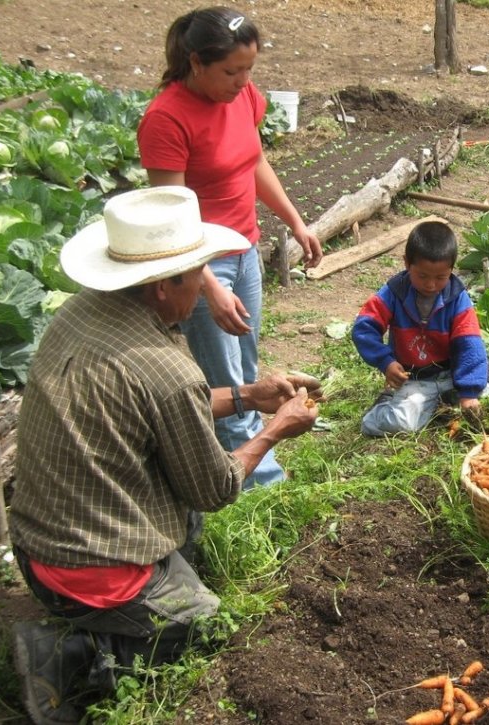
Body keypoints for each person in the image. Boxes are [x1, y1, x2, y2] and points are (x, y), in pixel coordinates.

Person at [8, 186, 321, 725]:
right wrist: (276, 429)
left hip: (35, 546)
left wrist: (248, 395)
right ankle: (69, 654)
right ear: (161, 286)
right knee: (211, 631)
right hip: (86, 574)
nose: (203, 286)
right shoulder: (167, 368)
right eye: (197, 273)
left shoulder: (81, 313)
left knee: (182, 503)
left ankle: (156, 588)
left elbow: (159, 405)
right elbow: (217, 487)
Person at [137, 6, 323, 488]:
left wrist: (295, 222)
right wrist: (207, 286)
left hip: (244, 251)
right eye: (231, 71)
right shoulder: (166, 119)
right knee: (222, 373)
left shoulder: (242, 97)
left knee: (245, 362)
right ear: (196, 63)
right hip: (200, 264)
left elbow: (254, 161)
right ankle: (252, 483)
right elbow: (171, 218)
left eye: (249, 69)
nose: (243, 81)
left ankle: (238, 458)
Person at [352, 220, 489, 436]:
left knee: (488, 402)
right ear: (407, 264)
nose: (431, 284)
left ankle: (441, 405)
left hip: (451, 375)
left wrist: (469, 393)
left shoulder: (457, 298)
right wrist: (385, 361)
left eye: (440, 277)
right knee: (402, 423)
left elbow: (469, 345)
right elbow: (364, 328)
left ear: (451, 270)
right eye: (423, 276)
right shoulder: (394, 293)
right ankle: (380, 410)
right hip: (415, 379)